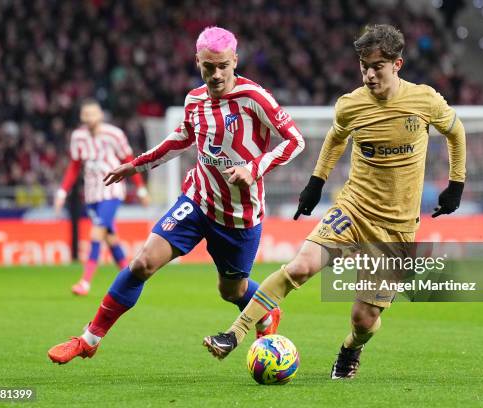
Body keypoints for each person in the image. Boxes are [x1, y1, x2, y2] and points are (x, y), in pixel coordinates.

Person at [203, 24, 467, 380]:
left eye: (378, 67)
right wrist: (316, 183)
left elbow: (456, 131)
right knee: (299, 267)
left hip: (395, 228)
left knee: (364, 321)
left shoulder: (425, 100)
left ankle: (351, 349)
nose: (369, 75)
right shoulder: (350, 105)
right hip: (353, 209)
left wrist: (456, 182)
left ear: (397, 64)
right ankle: (233, 334)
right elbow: (334, 139)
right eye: (364, 66)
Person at [48, 26, 305, 364]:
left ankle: (267, 313)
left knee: (233, 291)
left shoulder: (254, 98)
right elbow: (180, 139)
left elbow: (295, 140)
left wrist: (254, 168)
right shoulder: (194, 100)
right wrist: (135, 166)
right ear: (197, 61)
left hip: (238, 216)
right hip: (197, 201)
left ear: (235, 62)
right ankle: (88, 339)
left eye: (223, 66)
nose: (216, 74)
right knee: (142, 263)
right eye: (208, 67)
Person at [54, 99, 150, 296]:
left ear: (100, 115)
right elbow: (74, 167)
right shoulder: (78, 137)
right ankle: (131, 277)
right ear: (82, 117)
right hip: (91, 194)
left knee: (96, 232)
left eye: (92, 114)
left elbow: (129, 162)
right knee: (110, 237)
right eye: (85, 115)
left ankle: (85, 282)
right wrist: (62, 192)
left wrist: (141, 189)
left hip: (112, 191)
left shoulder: (114, 134)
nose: (89, 118)